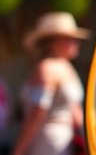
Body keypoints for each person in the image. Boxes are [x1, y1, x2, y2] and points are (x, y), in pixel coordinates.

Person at [12, 12, 89, 155]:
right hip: (50, 145)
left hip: (56, 144)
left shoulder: (61, 67)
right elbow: (38, 114)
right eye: (70, 38)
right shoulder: (50, 69)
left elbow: (74, 113)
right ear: (53, 42)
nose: (76, 43)